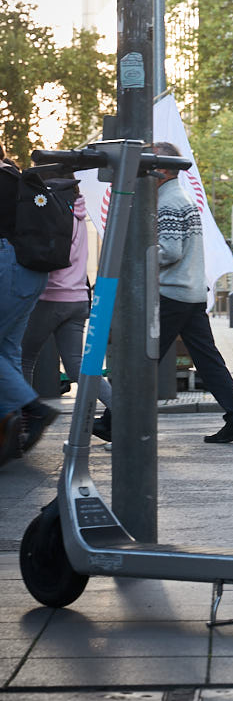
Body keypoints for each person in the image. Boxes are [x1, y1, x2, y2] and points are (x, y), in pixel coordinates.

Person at [147, 142, 233, 444]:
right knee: (208, 360)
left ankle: (115, 419)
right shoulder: (182, 198)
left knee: (143, 358)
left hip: (172, 293)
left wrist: (139, 253)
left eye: (149, 164)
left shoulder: (167, 203)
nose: (145, 171)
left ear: (164, 170)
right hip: (191, 292)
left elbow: (169, 251)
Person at [21, 179, 113, 437]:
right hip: (78, 299)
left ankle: (23, 419)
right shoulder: (78, 213)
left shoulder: (54, 214)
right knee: (78, 366)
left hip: (51, 297)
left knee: (23, 358)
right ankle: (122, 412)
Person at [0, 144, 59, 468]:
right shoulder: (17, 178)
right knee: (7, 350)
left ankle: (31, 410)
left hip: (6, 266)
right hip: (29, 271)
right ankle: (14, 431)